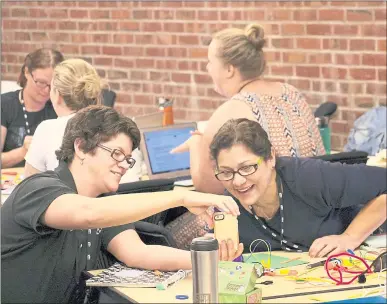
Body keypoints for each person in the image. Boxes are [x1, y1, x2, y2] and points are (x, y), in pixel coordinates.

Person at [1, 105, 242, 303]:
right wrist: (181, 197)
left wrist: (212, 259)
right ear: (81, 147)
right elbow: (87, 214)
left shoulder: (102, 202)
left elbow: (140, 254)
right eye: (116, 154)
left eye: (127, 159)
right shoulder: (38, 189)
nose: (124, 165)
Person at [171, 23, 325, 194]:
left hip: (275, 216)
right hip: (319, 207)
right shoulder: (291, 92)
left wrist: (196, 144)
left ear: (229, 69)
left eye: (210, 62)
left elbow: (208, 189)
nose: (207, 68)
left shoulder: (230, 112)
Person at [209, 118, 386, 258]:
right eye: (226, 172)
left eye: (247, 168)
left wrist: (350, 237)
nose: (237, 181)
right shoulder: (229, 208)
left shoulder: (310, 177)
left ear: (271, 158)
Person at [24, 58, 103, 177]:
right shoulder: (110, 125)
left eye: (51, 88)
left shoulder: (47, 130)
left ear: (58, 95)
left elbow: (29, 185)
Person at [1, 48, 64, 168]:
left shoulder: (59, 107)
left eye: (53, 85)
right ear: (26, 72)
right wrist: (23, 152)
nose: (47, 91)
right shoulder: (4, 105)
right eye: (40, 82)